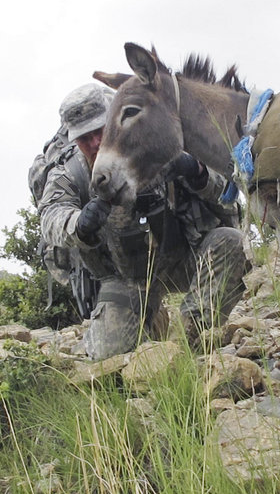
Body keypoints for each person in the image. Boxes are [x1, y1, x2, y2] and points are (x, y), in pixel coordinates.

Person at [37, 83, 250, 361]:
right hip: (124, 280)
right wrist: (78, 223)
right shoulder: (70, 171)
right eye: (84, 138)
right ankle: (151, 317)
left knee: (232, 242)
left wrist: (197, 172)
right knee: (106, 361)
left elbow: (230, 196)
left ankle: (190, 335)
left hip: (180, 260)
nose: (95, 144)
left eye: (100, 131)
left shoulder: (160, 143)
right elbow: (50, 215)